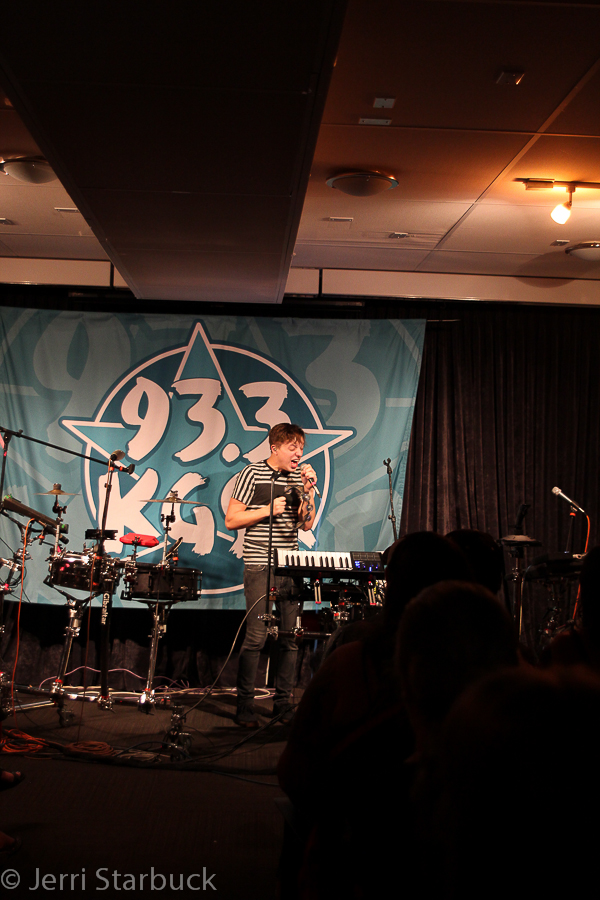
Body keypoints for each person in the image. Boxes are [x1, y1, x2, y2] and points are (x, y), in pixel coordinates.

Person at [225, 423, 317, 726]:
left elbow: (306, 524)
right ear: (275, 448)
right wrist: (267, 510)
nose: (298, 453)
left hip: (290, 565)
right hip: (259, 564)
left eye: (300, 447)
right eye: (292, 447)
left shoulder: (299, 478)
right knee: (256, 636)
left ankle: (283, 704)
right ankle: (245, 705)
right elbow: (231, 519)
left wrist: (308, 493)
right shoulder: (252, 473)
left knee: (290, 638)